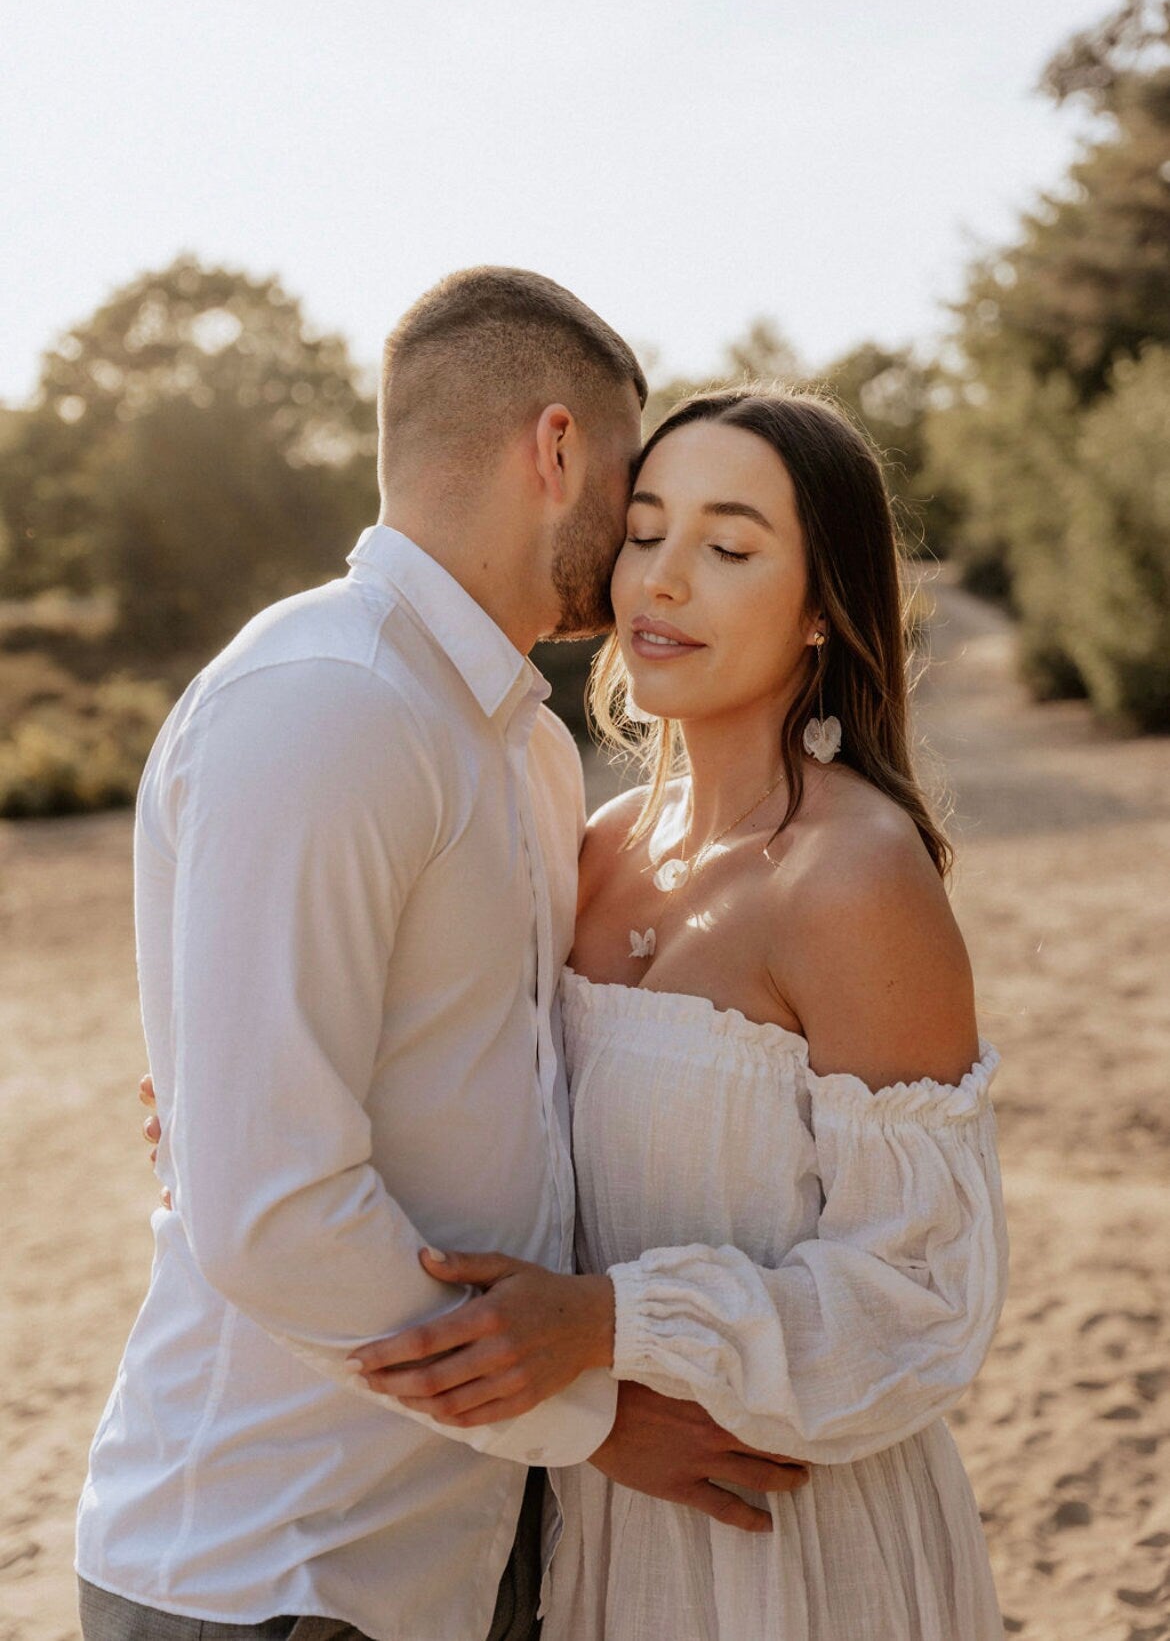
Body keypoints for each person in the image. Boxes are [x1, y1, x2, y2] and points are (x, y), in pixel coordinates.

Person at [78, 274, 811, 1641]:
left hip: (453, 1549)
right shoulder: (327, 703)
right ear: (554, 450)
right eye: (634, 491)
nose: (648, 552)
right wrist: (588, 1417)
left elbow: (499, 1083)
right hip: (280, 1563)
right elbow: (274, 1209)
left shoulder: (525, 742)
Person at [348, 389, 1010, 1640]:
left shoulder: (856, 876)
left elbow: (924, 1298)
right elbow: (463, 1076)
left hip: (804, 1543)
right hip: (599, 1516)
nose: (663, 580)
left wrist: (607, 1322)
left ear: (822, 605)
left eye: (730, 545)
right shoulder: (589, 849)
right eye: (646, 531)